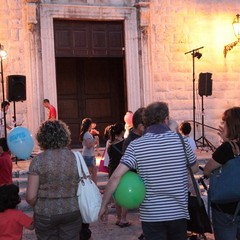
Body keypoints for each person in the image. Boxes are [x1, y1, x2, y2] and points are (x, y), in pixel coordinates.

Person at [99, 101, 198, 240]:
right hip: (178, 213)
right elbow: (194, 168)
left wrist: (104, 205)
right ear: (166, 119)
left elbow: (115, 177)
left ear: (145, 122)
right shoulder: (181, 141)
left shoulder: (136, 145)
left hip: (152, 215)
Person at [26, 120, 82, 240]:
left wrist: (40, 205)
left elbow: (30, 196)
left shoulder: (38, 161)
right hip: (72, 209)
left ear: (42, 138)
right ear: (65, 136)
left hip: (45, 211)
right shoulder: (75, 158)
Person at [204, 107, 240, 240]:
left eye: (224, 122)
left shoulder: (227, 148)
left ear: (231, 125)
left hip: (225, 208)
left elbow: (208, 169)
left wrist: (226, 143)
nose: (222, 125)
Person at [108, 122, 130, 227]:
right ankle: (123, 219)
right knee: (125, 195)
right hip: (122, 171)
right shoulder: (125, 143)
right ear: (122, 132)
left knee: (116, 196)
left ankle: (118, 218)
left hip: (112, 171)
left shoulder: (110, 144)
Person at [79, 118, 97, 184]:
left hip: (89, 155)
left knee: (92, 172)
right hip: (88, 156)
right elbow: (88, 145)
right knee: (90, 173)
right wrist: (95, 141)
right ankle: (93, 187)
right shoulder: (87, 134)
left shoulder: (86, 133)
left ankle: (94, 187)